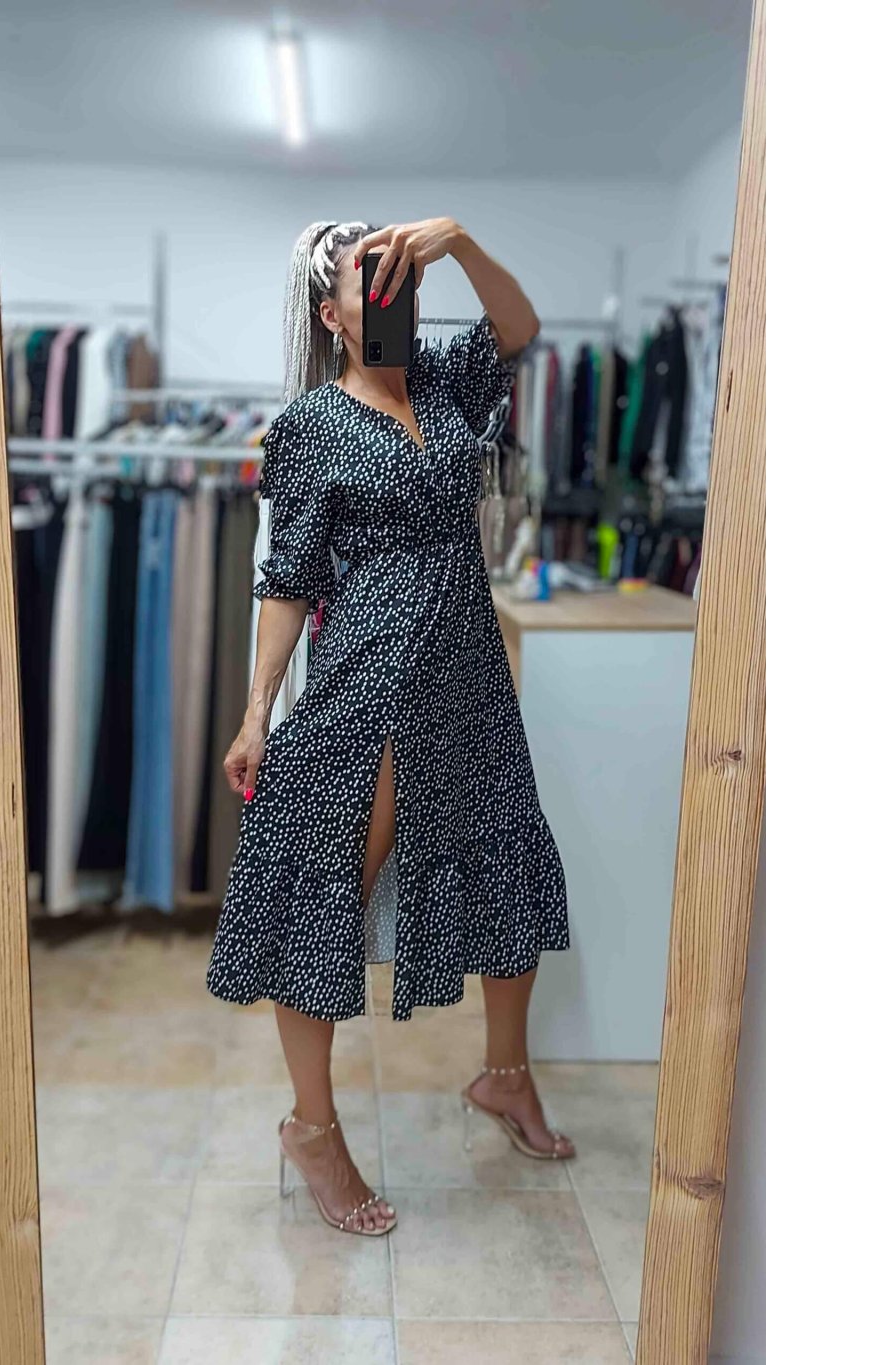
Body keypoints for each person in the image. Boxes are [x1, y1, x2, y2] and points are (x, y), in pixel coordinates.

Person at [206, 218, 572, 1237]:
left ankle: (506, 1076)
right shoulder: (310, 425)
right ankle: (312, 1128)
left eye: (405, 285)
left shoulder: (449, 380)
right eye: (373, 289)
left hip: (469, 675)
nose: (394, 304)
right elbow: (287, 581)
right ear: (332, 315)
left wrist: (460, 242)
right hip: (367, 684)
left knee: (507, 862)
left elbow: (520, 324)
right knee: (322, 897)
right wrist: (256, 712)